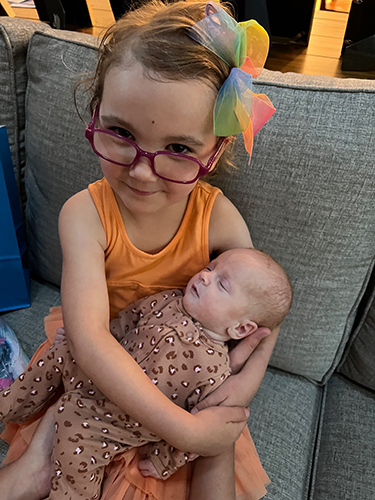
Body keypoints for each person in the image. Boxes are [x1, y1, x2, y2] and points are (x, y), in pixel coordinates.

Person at [0, 1, 277, 499]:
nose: (142, 172)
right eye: (122, 133)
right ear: (96, 114)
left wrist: (234, 393)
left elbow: (261, 320)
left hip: (184, 375)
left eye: (177, 149)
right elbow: (89, 341)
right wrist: (183, 429)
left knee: (220, 447)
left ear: (213, 152)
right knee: (60, 451)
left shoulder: (219, 218)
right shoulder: (84, 214)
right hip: (99, 362)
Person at [0, 248, 292, 498]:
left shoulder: (216, 372)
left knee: (76, 466)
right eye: (209, 268)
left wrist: (164, 460)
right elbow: (123, 324)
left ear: (241, 329)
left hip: (108, 424)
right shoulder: (167, 301)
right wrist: (82, 339)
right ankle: (11, 403)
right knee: (58, 355)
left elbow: (198, 427)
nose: (205, 276)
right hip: (95, 369)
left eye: (222, 285)